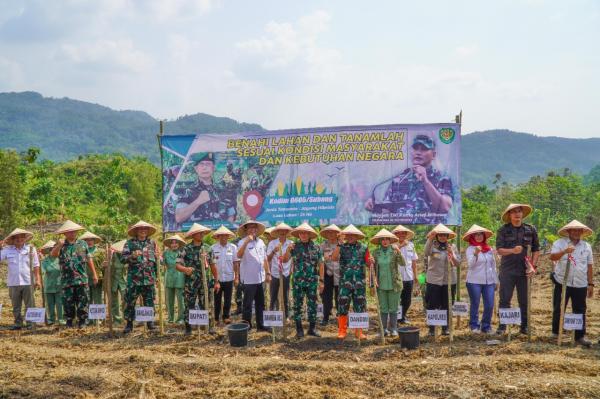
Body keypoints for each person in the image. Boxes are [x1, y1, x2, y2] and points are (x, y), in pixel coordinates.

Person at [364, 134, 454, 224]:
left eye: (424, 149)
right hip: (402, 234)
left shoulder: (442, 178)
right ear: (411, 152)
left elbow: (444, 208)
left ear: (433, 155)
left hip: (430, 233)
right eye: (415, 148)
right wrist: (374, 206)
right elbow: (387, 212)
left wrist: (425, 181)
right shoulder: (398, 180)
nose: (418, 152)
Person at [495, 203, 539, 335]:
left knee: (524, 300)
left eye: (519, 211)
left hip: (524, 271)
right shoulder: (503, 230)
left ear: (522, 214)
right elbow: (499, 250)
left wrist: (533, 267)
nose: (517, 214)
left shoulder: (531, 229)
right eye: (513, 212)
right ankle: (502, 326)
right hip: (507, 270)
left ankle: (524, 326)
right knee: (505, 298)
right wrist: (512, 250)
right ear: (509, 215)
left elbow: (536, 250)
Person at [550, 220, 594, 347]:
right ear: (568, 231)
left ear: (582, 232)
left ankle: (579, 336)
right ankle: (556, 332)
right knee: (559, 307)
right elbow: (552, 257)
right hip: (562, 282)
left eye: (578, 230)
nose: (576, 232)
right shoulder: (559, 243)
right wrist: (564, 251)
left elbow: (590, 265)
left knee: (580, 309)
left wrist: (590, 284)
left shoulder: (586, 246)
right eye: (573, 230)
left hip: (580, 283)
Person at [51, 220, 98, 328]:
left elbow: (89, 259)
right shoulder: (60, 244)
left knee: (83, 301)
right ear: (65, 233)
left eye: (74, 231)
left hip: (81, 278)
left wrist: (94, 274)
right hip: (67, 280)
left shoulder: (83, 244)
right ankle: (69, 321)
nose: (72, 233)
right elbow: (53, 255)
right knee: (68, 302)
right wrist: (59, 245)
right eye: (70, 232)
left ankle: (82, 321)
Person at [283, 223, 325, 338]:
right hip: (297, 282)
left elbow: (321, 265)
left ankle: (312, 329)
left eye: (306, 233)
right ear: (299, 235)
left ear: (310, 234)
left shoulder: (316, 247)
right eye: (301, 233)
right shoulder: (294, 247)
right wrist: (287, 250)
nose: (304, 235)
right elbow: (285, 260)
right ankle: (299, 330)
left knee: (312, 305)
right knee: (297, 306)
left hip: (312, 282)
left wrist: (321, 281)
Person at [177, 223, 219, 335]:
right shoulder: (185, 249)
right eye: (199, 233)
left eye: (203, 233)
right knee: (189, 304)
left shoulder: (208, 248)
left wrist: (216, 281)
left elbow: (213, 266)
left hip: (205, 283)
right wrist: (185, 269)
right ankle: (188, 328)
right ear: (193, 234)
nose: (201, 234)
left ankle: (209, 327)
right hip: (190, 283)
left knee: (206, 303)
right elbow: (177, 265)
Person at [332, 224, 370, 340]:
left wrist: (370, 261)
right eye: (349, 235)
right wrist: (339, 243)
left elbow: (368, 263)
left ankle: (359, 332)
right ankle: (342, 331)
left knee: (360, 305)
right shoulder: (341, 247)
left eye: (353, 235)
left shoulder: (364, 247)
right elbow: (334, 258)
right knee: (342, 305)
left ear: (357, 236)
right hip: (345, 283)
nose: (351, 236)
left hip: (360, 283)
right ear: (346, 236)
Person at [122, 220, 160, 334]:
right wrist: (132, 256)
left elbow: (156, 262)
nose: (143, 231)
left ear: (148, 231)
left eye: (145, 229)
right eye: (140, 229)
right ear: (136, 231)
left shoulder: (152, 244)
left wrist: (157, 276)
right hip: (134, 279)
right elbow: (122, 259)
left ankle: (150, 323)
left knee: (149, 301)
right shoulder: (129, 243)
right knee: (130, 302)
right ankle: (129, 324)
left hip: (149, 279)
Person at [175, 152, 231, 226]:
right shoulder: (187, 190)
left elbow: (231, 216)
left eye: (208, 164)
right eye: (201, 164)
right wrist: (198, 201)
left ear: (213, 168)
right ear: (196, 168)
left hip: (219, 233)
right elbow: (179, 218)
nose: (204, 167)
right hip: (197, 234)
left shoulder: (223, 190)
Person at [0, 228, 41, 330]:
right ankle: (18, 323)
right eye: (16, 237)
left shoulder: (31, 249)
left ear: (25, 238)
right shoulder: (7, 250)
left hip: (28, 281)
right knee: (16, 306)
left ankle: (30, 324)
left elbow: (36, 265)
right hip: (13, 282)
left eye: (21, 237)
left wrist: (38, 279)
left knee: (30, 304)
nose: (19, 239)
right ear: (13, 239)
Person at [423, 224, 460, 336]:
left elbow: (457, 263)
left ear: (448, 236)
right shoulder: (432, 245)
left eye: (445, 235)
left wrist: (451, 254)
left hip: (449, 281)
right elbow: (426, 253)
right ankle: (432, 328)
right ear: (437, 236)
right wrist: (430, 238)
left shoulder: (452, 246)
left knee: (447, 304)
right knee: (432, 304)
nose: (443, 237)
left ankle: (445, 328)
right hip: (434, 280)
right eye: (440, 235)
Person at [236, 220, 271, 332]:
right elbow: (239, 255)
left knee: (261, 304)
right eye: (250, 228)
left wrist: (268, 273)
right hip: (248, 279)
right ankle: (247, 326)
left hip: (260, 278)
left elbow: (265, 259)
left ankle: (261, 325)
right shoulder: (242, 242)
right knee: (247, 305)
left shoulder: (261, 242)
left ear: (257, 229)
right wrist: (246, 242)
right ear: (246, 230)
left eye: (254, 228)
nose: (252, 230)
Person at [463, 224, 498, 334]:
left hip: (489, 281)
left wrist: (496, 281)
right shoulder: (470, 249)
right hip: (474, 281)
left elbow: (493, 265)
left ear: (484, 236)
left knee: (489, 304)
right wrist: (476, 254)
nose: (478, 237)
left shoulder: (489, 249)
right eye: (476, 235)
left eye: (480, 235)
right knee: (475, 303)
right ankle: (474, 325)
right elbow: (471, 265)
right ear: (472, 237)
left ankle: (486, 326)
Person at [370, 229, 403, 337]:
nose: (385, 241)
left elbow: (403, 263)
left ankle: (393, 328)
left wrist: (399, 251)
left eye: (387, 239)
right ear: (380, 241)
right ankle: (383, 329)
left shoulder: (394, 251)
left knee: (393, 307)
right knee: (383, 308)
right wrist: (370, 262)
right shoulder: (376, 252)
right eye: (382, 239)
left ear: (390, 241)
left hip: (394, 284)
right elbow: (372, 269)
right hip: (381, 285)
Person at [211, 226, 239, 325]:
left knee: (228, 299)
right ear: (218, 237)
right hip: (217, 279)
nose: (223, 238)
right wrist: (215, 279)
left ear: (228, 237)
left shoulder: (233, 247)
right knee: (217, 299)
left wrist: (236, 277)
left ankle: (226, 316)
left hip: (229, 278)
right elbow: (211, 264)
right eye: (221, 236)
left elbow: (236, 263)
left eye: (225, 236)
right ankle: (216, 318)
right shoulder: (213, 248)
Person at [391, 225, 419, 324]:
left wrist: (415, 276)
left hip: (408, 276)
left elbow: (414, 262)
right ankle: (395, 319)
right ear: (395, 234)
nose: (401, 235)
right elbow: (391, 255)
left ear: (406, 235)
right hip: (396, 277)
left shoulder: (411, 245)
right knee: (396, 299)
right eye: (399, 233)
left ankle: (402, 317)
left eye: (403, 233)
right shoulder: (392, 245)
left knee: (407, 300)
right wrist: (401, 246)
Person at [266, 222, 294, 319]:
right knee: (273, 296)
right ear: (277, 232)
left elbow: (292, 258)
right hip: (274, 273)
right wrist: (274, 251)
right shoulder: (272, 243)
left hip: (286, 273)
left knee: (285, 296)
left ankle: (286, 316)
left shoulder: (291, 244)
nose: (282, 232)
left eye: (284, 231)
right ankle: (272, 317)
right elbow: (267, 259)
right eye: (280, 231)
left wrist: (291, 269)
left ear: (286, 232)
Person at [79, 231, 106, 323]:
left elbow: (103, 265)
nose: (89, 242)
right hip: (84, 278)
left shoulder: (100, 252)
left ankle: (99, 318)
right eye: (87, 240)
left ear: (94, 241)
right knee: (87, 298)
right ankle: (89, 319)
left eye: (91, 240)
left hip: (97, 277)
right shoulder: (81, 252)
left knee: (98, 297)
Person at [319, 224, 341, 326]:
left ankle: (340, 317)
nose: (331, 234)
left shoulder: (342, 244)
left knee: (339, 296)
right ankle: (326, 317)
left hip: (340, 274)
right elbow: (322, 260)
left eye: (333, 232)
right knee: (326, 297)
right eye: (329, 232)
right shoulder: (323, 245)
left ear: (337, 234)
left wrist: (330, 257)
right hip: (327, 273)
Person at [163, 234, 186, 324]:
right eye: (172, 243)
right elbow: (162, 263)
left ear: (179, 244)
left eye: (176, 243)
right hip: (169, 277)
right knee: (169, 300)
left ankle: (181, 318)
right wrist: (158, 258)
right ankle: (170, 318)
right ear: (169, 244)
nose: (174, 244)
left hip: (180, 277)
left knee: (181, 300)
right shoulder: (166, 253)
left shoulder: (183, 252)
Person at [40, 240, 64, 326]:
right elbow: (42, 271)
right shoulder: (45, 261)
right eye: (51, 249)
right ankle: (51, 319)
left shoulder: (61, 259)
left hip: (60, 285)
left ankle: (61, 319)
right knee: (50, 304)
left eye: (54, 249)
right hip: (49, 285)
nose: (53, 251)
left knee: (60, 303)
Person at [109, 239, 127, 325]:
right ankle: (116, 319)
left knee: (126, 299)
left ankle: (127, 318)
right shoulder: (112, 255)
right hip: (114, 281)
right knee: (114, 301)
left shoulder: (128, 255)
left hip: (124, 281)